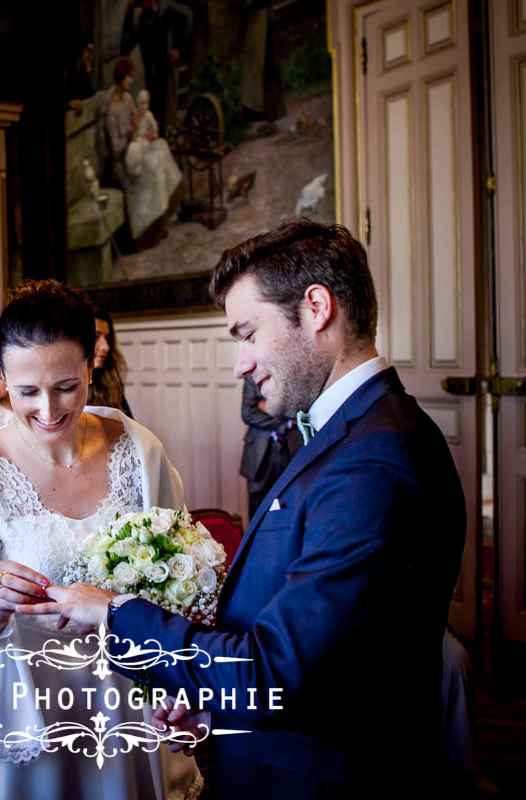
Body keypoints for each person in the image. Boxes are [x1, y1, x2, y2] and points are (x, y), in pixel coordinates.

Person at [44, 220, 467, 797]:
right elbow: (329, 663)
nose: (241, 363)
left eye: (247, 333)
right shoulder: (352, 433)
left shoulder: (376, 461)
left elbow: (276, 672)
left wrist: (117, 614)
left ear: (316, 308)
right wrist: (223, 717)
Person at [0, 280, 201, 799]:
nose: (48, 409)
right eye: (26, 391)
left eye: (66, 386)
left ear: (91, 366)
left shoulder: (137, 447)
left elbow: (186, 578)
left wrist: (175, 682)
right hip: (29, 706)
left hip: (128, 696)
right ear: (1, 374)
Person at [104, 57, 181, 244]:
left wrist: (146, 132)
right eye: (129, 76)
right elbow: (116, 149)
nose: (131, 80)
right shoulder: (111, 112)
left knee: (162, 146)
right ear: (121, 77)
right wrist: (132, 131)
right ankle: (151, 230)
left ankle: (168, 212)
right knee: (154, 166)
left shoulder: (128, 99)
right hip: (125, 159)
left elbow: (136, 121)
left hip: (136, 145)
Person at [239, 377, 302, 516]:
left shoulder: (293, 372)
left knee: (292, 501)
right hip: (260, 452)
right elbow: (248, 413)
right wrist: (286, 424)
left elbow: (302, 408)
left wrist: (265, 406)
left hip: (292, 447)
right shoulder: (252, 377)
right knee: (257, 507)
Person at [88, 309, 132, 416]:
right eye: (96, 337)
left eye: (107, 338)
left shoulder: (111, 384)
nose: (106, 347)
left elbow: (130, 429)